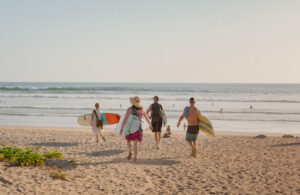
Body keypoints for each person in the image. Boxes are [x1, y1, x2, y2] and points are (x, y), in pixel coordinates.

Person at [120, 96, 153, 162]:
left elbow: (125, 119)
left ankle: (130, 150)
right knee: (136, 143)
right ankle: (135, 158)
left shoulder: (130, 109)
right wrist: (150, 125)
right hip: (138, 128)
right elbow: (147, 119)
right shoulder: (142, 109)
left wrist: (122, 128)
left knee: (128, 140)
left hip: (131, 127)